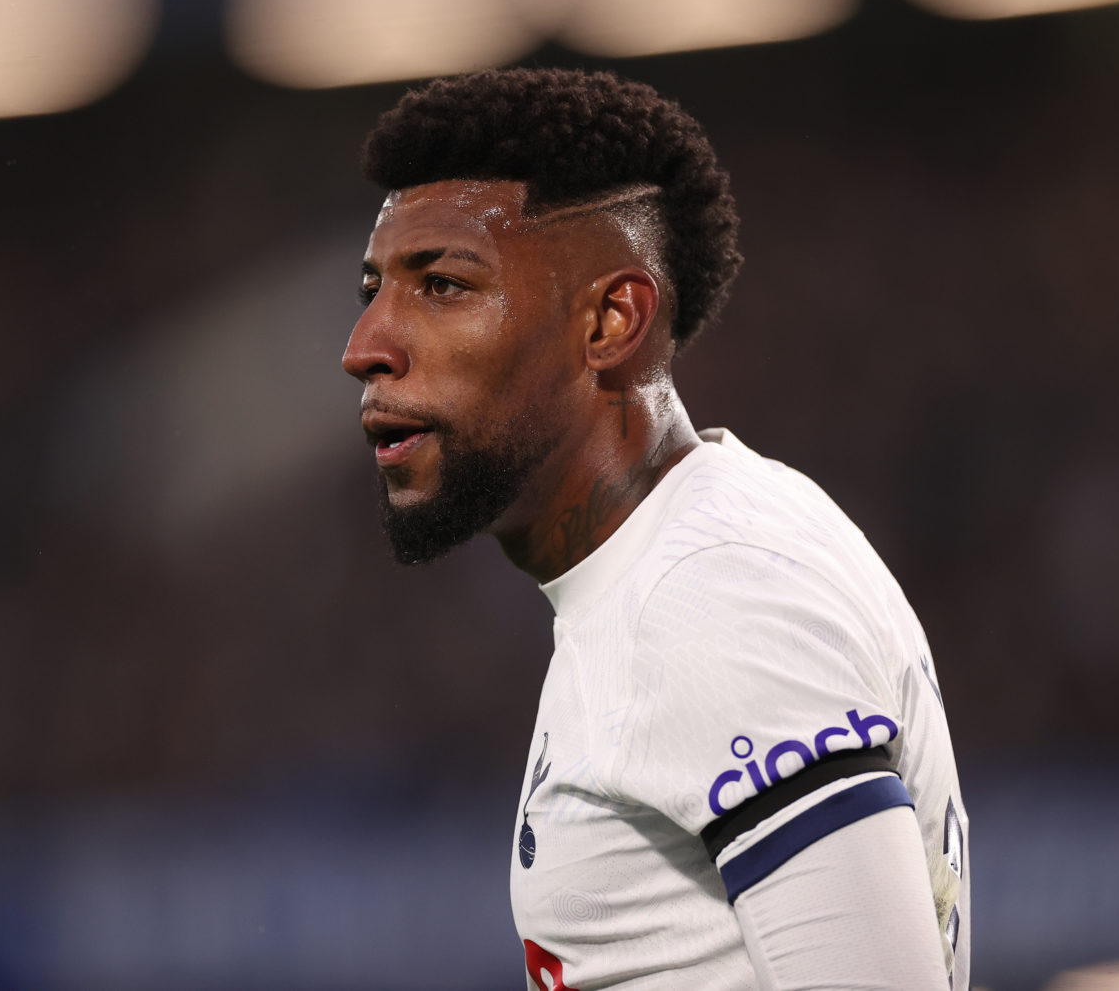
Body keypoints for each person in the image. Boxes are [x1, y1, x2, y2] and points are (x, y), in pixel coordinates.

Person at [342, 68, 969, 991]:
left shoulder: (711, 596)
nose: (367, 344)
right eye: (375, 286)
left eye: (441, 284)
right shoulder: (672, 563)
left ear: (611, 319)